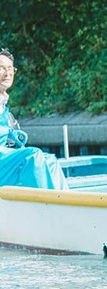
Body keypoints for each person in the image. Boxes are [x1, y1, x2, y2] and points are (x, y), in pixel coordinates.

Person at [0, 49, 68, 190]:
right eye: (1, 68)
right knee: (33, 156)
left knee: (50, 160)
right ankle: (47, 205)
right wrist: (6, 132)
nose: (7, 73)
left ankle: (66, 203)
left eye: (10, 68)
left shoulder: (4, 105)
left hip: (5, 159)